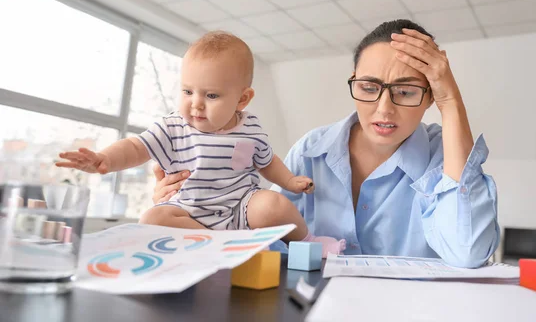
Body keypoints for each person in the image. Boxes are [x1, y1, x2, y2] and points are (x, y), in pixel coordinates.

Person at [151, 20, 500, 268]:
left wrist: (451, 101)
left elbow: (467, 251)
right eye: (368, 87)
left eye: (406, 92)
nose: (384, 109)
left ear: (428, 99)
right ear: (353, 83)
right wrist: (188, 204)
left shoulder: (445, 154)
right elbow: (258, 234)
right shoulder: (310, 150)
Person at [56, 31, 346, 257]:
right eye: (187, 91)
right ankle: (219, 244)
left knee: (273, 203)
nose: (195, 104)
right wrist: (104, 159)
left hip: (240, 209)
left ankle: (309, 242)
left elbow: (267, 162)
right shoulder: (173, 126)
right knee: (152, 218)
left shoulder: (251, 128)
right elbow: (135, 147)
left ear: (242, 99)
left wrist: (291, 180)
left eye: (211, 96)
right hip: (189, 214)